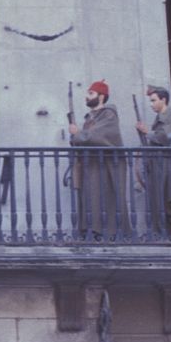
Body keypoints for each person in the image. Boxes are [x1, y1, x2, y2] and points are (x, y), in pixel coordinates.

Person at [68, 80, 129, 239]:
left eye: (91, 93)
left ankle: (111, 235)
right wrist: (76, 136)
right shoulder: (90, 117)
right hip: (91, 165)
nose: (86, 97)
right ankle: (92, 233)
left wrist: (77, 133)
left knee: (106, 199)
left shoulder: (109, 114)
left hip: (107, 166)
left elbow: (99, 135)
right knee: (91, 200)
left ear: (101, 97)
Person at [135, 85, 171, 236]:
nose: (151, 104)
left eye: (154, 100)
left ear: (163, 100)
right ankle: (163, 235)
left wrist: (147, 132)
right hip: (157, 165)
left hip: (168, 165)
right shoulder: (159, 119)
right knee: (158, 202)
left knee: (169, 202)